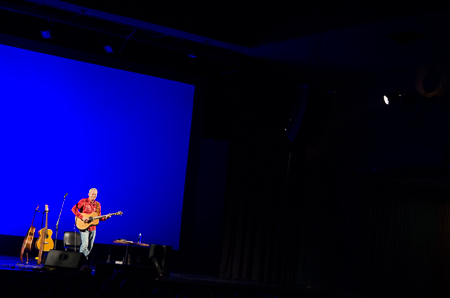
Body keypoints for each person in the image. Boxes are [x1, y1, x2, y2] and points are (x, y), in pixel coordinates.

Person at [71, 188, 111, 258]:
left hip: (93, 228)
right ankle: (79, 262)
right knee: (84, 245)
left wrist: (105, 217)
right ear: (88, 194)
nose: (93, 195)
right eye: (92, 194)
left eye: (95, 194)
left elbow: (98, 217)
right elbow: (74, 209)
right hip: (84, 227)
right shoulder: (83, 201)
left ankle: (83, 261)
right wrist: (82, 217)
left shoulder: (98, 204)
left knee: (89, 247)